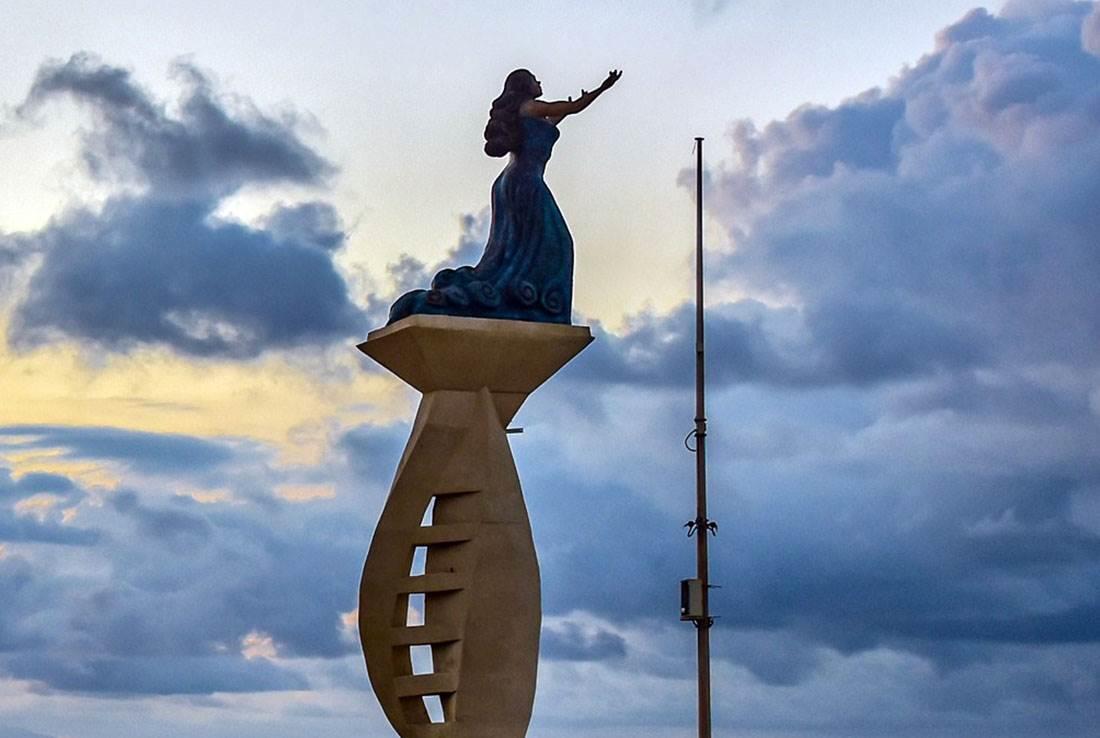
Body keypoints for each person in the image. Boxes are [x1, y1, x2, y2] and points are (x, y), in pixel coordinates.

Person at [387, 68, 622, 325]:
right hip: (526, 182)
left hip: (511, 182)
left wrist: (569, 107)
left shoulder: (530, 114)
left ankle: (523, 294)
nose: (539, 81)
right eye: (534, 79)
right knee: (554, 242)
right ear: (525, 86)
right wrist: (603, 87)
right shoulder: (530, 106)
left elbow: (558, 116)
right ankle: (527, 297)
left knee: (518, 245)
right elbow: (574, 107)